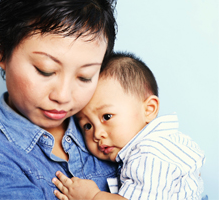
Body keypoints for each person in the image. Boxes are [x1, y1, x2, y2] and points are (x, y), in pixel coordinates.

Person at [0, 0, 119, 199]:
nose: (63, 96)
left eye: (85, 76)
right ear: (0, 49)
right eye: (45, 70)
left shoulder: (112, 127)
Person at [52, 52, 205, 200]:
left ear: (149, 109)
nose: (97, 134)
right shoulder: (166, 141)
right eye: (87, 126)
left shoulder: (149, 155)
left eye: (107, 117)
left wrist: (92, 196)